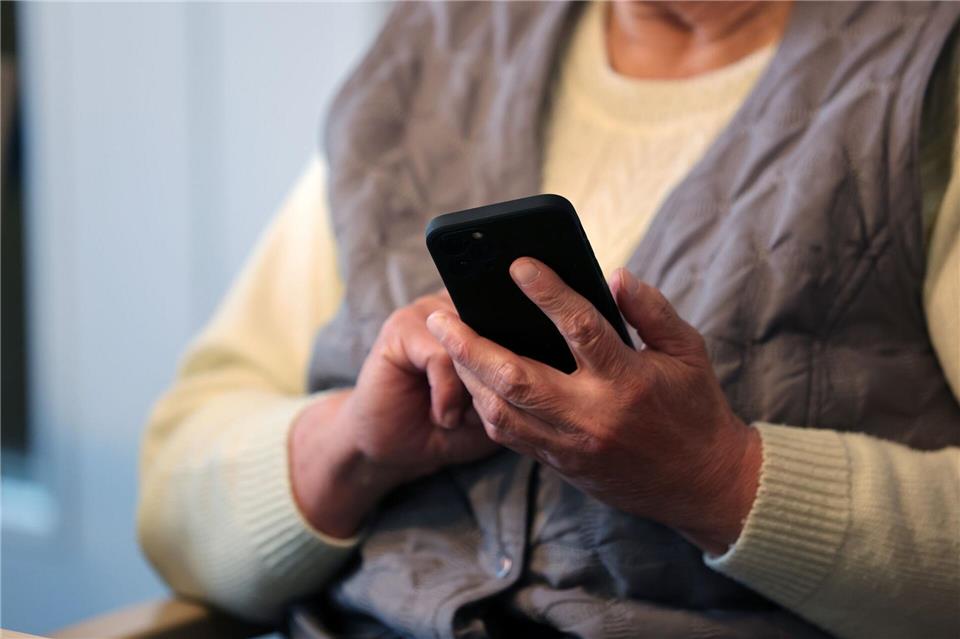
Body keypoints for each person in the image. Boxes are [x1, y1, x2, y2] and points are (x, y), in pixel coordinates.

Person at [137, 2, 960, 638]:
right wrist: (353, 444)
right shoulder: (431, 52)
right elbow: (173, 498)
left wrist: (719, 477)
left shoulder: (927, 74)